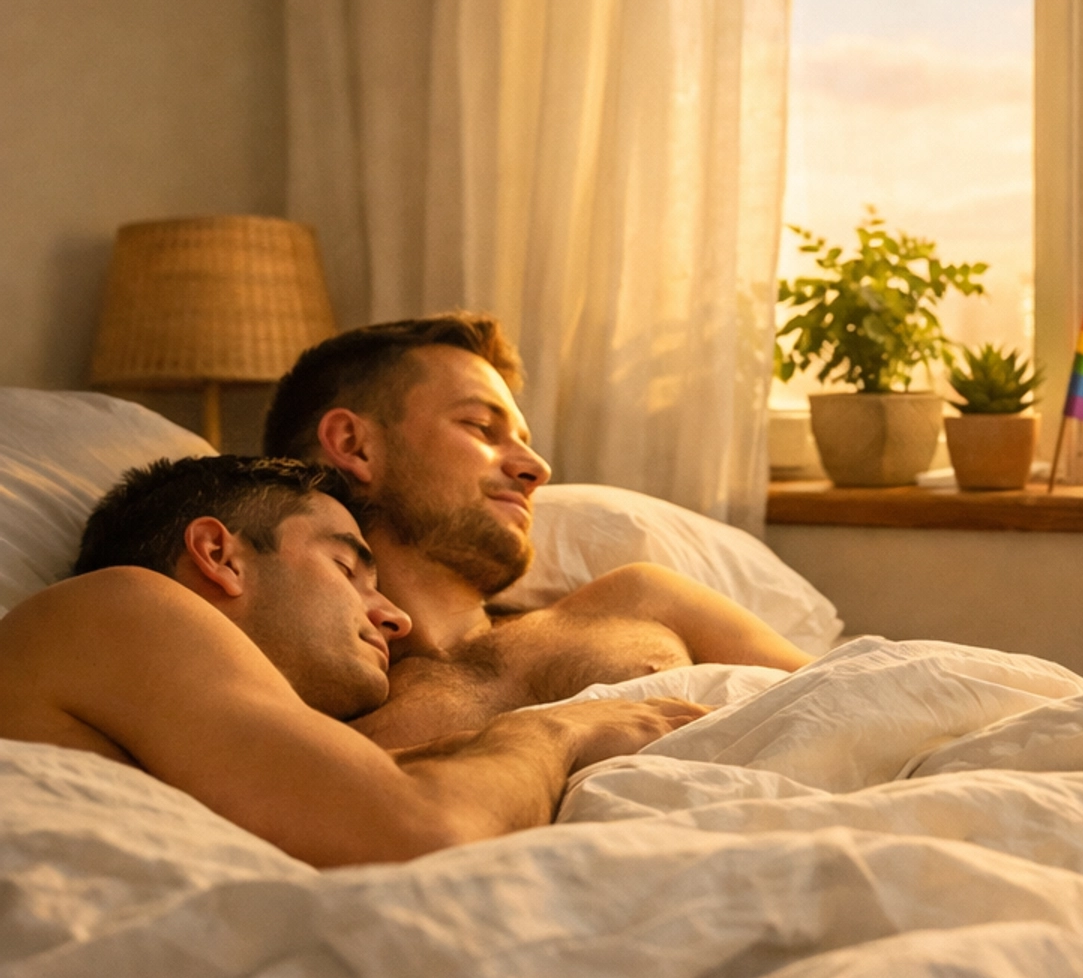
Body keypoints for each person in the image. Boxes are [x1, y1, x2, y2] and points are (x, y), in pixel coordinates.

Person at [0, 454, 702, 867]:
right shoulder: (117, 607)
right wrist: (555, 730)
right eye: (348, 568)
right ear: (219, 556)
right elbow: (430, 833)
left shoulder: (185, 726)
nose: (394, 618)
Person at [261, 314, 810, 752]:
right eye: (482, 427)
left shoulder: (642, 600)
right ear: (354, 444)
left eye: (522, 438)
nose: (537, 467)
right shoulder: (300, 688)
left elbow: (848, 700)